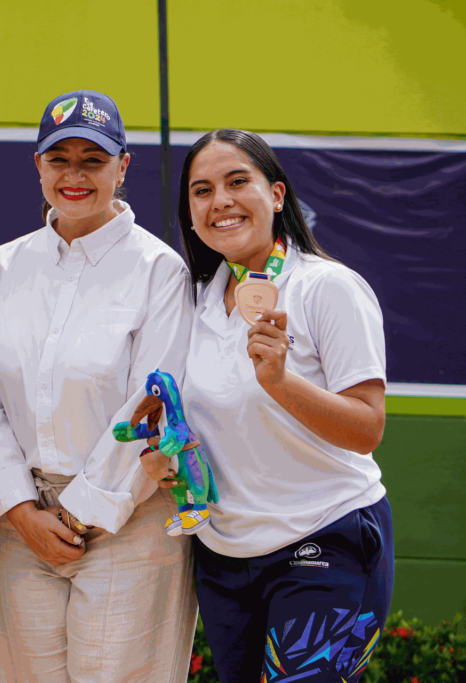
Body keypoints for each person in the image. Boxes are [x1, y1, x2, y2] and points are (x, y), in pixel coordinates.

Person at [0, 90, 198, 682]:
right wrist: (20, 510)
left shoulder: (160, 271)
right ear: (37, 166)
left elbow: (152, 404)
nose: (74, 175)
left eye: (92, 160)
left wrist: (75, 518)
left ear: (122, 166)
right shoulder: (3, 267)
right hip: (26, 522)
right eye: (58, 158)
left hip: (130, 518)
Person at [178, 129, 393, 682]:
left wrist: (279, 381)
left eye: (236, 181)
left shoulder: (328, 288)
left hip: (324, 540)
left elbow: (367, 429)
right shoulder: (199, 299)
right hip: (224, 556)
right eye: (202, 190)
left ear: (276, 195)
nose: (220, 201)